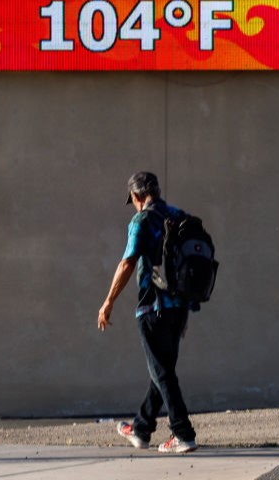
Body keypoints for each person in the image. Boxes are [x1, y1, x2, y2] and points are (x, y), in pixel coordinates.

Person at [98, 171, 198, 454]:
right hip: (179, 308)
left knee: (162, 372)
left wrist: (108, 302)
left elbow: (128, 263)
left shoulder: (141, 220)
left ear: (137, 196)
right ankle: (141, 429)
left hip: (152, 307)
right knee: (162, 369)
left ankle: (183, 433)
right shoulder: (179, 215)